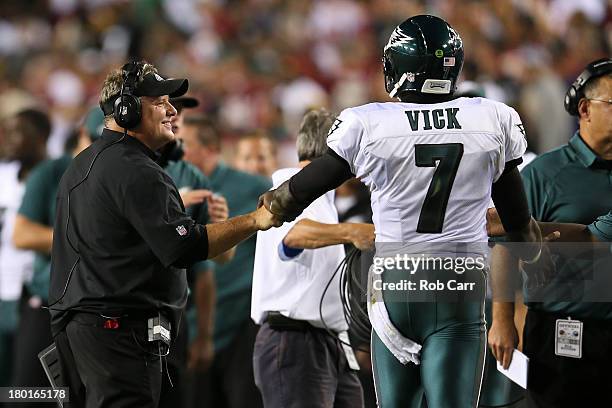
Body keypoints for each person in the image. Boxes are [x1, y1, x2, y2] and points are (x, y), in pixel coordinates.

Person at [259, 15, 541, 408]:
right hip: (459, 288)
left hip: (396, 286)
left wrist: (274, 203)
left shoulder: (369, 123)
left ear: (401, 66)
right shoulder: (493, 118)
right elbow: (519, 228)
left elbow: (304, 188)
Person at [49, 61, 279, 408]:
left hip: (92, 332)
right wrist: (256, 220)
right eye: (160, 102)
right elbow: (183, 247)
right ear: (126, 110)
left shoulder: (85, 163)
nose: (172, 110)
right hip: (119, 333)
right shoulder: (135, 169)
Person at [488, 57, 612, 408]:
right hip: (565, 330)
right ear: (585, 109)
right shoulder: (544, 172)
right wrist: (503, 320)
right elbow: (505, 247)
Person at [251, 109, 373, 408]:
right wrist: (351, 231)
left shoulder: (320, 197)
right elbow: (294, 236)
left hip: (324, 340)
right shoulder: (292, 185)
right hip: (294, 341)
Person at [181, 115, 272, 408]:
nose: (176, 149)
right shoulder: (171, 187)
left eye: (184, 144)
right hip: (193, 322)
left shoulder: (254, 187)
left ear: (210, 149)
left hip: (242, 323)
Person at [158, 95, 229, 408]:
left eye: (180, 114)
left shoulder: (191, 175)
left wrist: (220, 226)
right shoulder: (116, 164)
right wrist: (174, 208)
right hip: (119, 309)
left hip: (173, 314)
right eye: (166, 109)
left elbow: (213, 261)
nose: (174, 118)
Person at [0, 109, 50, 388]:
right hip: (3, 292)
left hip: (34, 295)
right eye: (8, 132)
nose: (10, 139)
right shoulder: (3, 175)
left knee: (26, 390)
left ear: (41, 136)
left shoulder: (56, 175)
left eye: (19, 132)